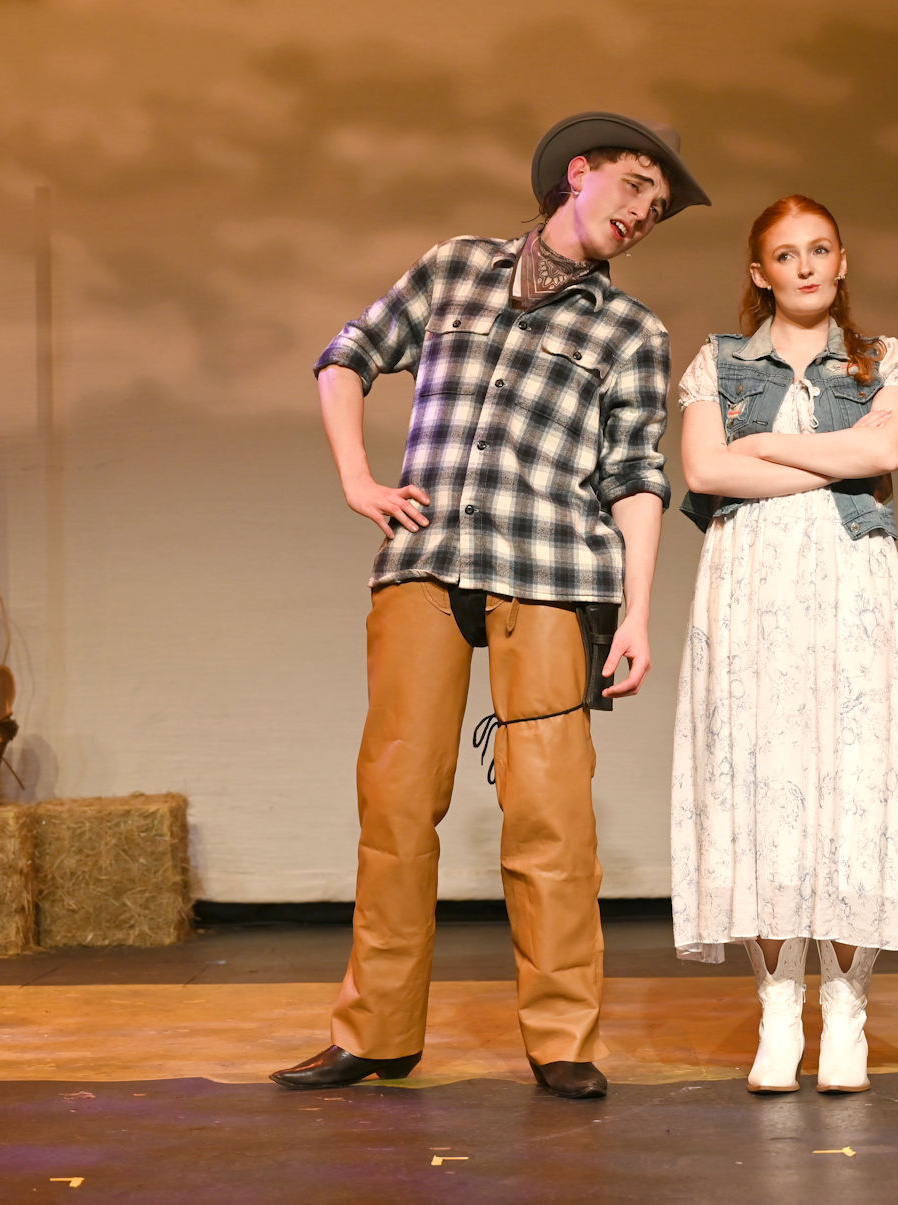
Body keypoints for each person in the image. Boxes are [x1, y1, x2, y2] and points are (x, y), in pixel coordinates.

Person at [271, 112, 709, 1100]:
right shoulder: (456, 268)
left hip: (552, 572)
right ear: (578, 172)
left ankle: (562, 1038)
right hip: (426, 560)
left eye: (660, 205)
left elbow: (637, 477)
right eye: (635, 185)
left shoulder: (629, 331)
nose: (645, 212)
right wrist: (356, 478)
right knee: (394, 798)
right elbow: (345, 355)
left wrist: (637, 613)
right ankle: (375, 1031)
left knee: (549, 810)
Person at [670, 194, 898, 1095]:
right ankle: (775, 1008)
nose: (804, 265)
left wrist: (763, 444)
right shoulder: (717, 363)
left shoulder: (884, 360)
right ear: (759, 273)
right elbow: (704, 471)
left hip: (849, 579)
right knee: (761, 782)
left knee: (853, 780)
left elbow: (884, 457)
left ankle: (844, 1009)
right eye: (785, 254)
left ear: (841, 261)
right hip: (748, 583)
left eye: (819, 249)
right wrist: (830, 451)